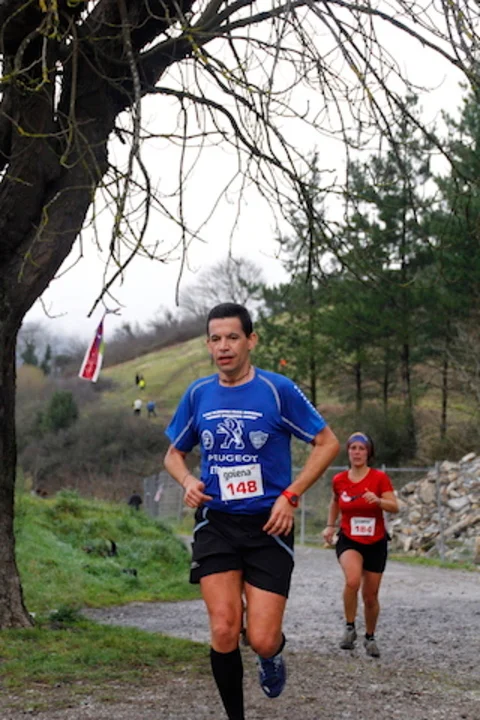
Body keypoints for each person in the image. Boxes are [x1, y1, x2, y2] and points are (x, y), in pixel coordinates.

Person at [164, 302, 339, 720]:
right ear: (208, 345)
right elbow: (173, 454)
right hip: (217, 523)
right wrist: (187, 481)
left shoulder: (277, 390)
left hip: (269, 526)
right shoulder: (198, 394)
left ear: (251, 340)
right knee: (224, 628)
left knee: (261, 637)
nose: (224, 346)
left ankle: (271, 654)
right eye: (216, 339)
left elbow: (327, 443)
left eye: (233, 337)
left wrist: (291, 495)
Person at [322, 432, 399, 658]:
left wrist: (379, 501)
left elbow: (395, 506)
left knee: (370, 596)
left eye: (361, 448)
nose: (357, 452)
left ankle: (370, 636)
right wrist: (330, 526)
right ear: (348, 452)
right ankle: (349, 627)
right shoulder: (339, 480)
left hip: (375, 541)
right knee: (353, 580)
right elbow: (335, 502)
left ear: (368, 453)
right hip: (349, 539)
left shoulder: (379, 478)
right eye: (353, 448)